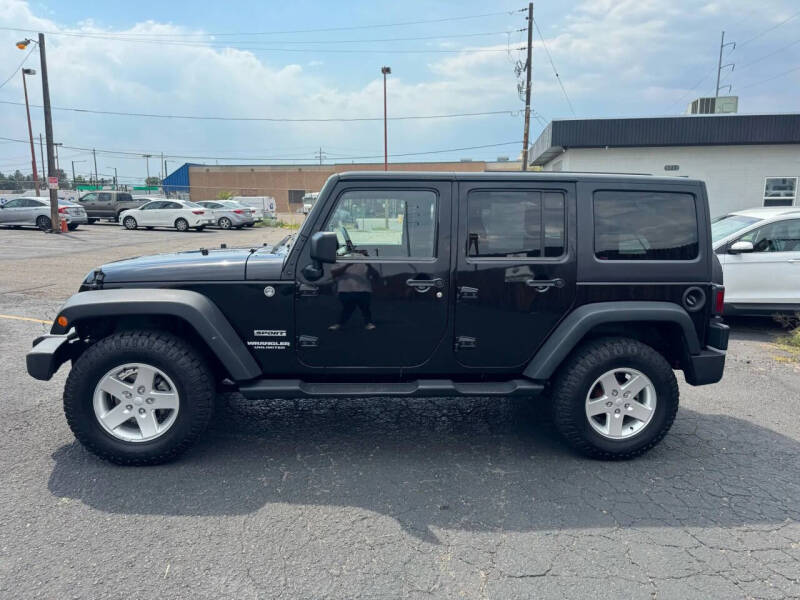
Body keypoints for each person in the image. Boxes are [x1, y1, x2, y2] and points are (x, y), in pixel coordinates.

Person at [329, 250, 378, 330]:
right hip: (345, 289)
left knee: (365, 309)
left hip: (364, 289)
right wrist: (347, 265)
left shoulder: (367, 259)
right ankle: (339, 323)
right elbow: (334, 273)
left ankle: (368, 323)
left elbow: (375, 275)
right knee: (347, 309)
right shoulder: (341, 258)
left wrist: (368, 264)